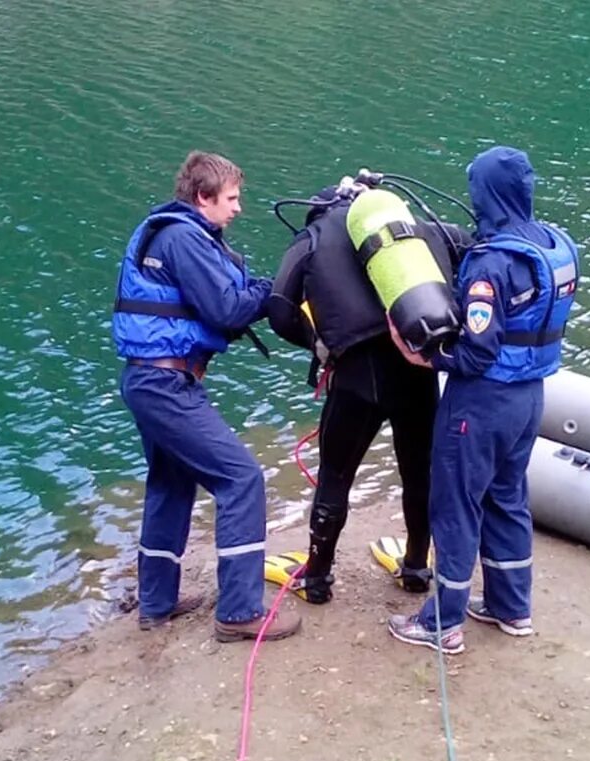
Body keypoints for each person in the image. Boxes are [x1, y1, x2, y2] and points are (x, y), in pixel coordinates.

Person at [386, 146, 580, 653]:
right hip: (530, 399)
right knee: (508, 497)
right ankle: (511, 607)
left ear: (486, 194)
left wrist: (427, 359)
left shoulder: (490, 265)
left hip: (482, 403)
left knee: (455, 506)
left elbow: (476, 353)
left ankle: (441, 623)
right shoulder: (557, 246)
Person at [113, 150, 301, 642]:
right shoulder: (184, 238)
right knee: (241, 479)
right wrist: (278, 291)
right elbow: (225, 309)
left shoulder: (173, 233)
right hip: (165, 385)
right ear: (203, 197)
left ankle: (156, 604)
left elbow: (222, 298)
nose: (238, 209)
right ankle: (239, 612)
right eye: (232, 199)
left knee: (171, 484)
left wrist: (259, 290)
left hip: (149, 381)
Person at [266, 183, 474, 603]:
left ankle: (318, 579)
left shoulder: (313, 238)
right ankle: (416, 567)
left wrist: (321, 344)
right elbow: (468, 258)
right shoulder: (415, 231)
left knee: (335, 477)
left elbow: (279, 310)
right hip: (417, 367)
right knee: (419, 473)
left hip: (358, 377)